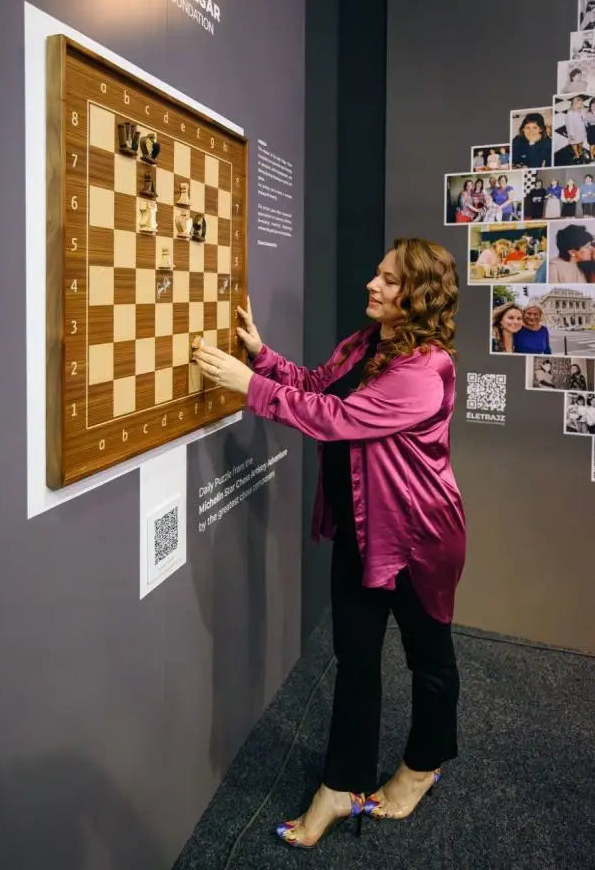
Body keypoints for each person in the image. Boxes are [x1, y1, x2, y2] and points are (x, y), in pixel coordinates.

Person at [193, 240, 466, 849]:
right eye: (377, 271)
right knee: (356, 658)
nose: (371, 283)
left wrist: (248, 387)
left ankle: (422, 766)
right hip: (363, 532)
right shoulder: (366, 343)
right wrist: (262, 357)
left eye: (389, 280)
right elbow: (320, 386)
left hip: (419, 537)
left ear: (416, 297)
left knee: (429, 660)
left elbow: (335, 418)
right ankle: (340, 786)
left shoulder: (427, 370)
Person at [564, 97, 588, 163]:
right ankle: (577, 155)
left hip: (581, 130)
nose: (579, 105)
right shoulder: (569, 114)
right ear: (573, 104)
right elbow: (569, 125)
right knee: (574, 143)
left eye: (581, 104)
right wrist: (571, 134)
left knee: (581, 142)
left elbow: (585, 120)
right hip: (573, 132)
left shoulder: (582, 111)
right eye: (578, 104)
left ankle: (580, 152)